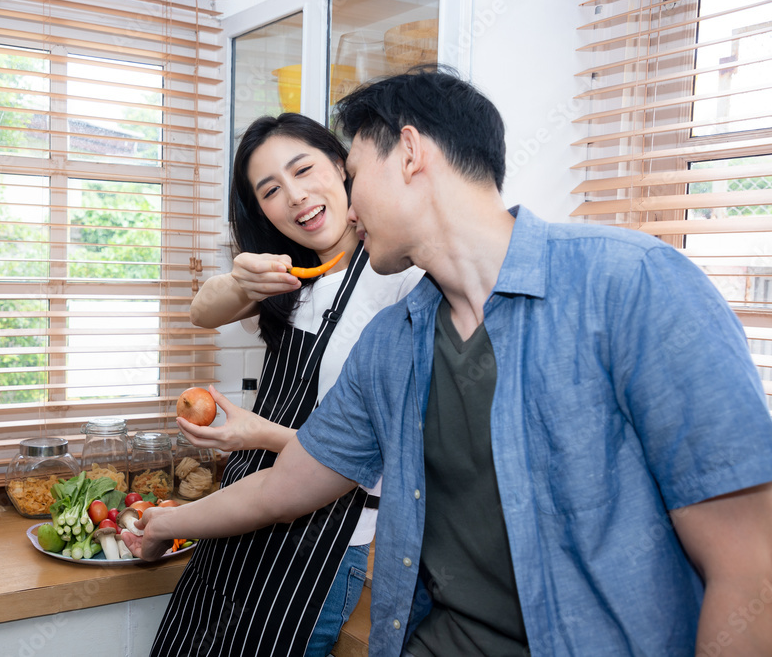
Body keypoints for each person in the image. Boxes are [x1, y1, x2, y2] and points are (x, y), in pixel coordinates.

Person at [126, 67, 772, 656]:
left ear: (410, 153)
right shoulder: (392, 343)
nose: (347, 204)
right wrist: (166, 522)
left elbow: (750, 569)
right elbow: (279, 488)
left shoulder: (633, 283)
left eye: (353, 175)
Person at [149, 113, 423, 657]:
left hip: (319, 546)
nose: (295, 196)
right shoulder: (289, 277)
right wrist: (240, 280)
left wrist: (257, 434)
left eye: (303, 170)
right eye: (270, 190)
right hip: (236, 522)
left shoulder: (402, 281)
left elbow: (376, 460)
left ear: (343, 166)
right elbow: (202, 312)